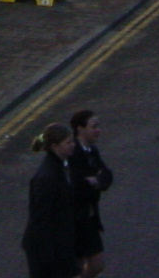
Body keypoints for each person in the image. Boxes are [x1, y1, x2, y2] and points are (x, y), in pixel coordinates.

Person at [22, 123, 81, 278]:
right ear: (55, 146)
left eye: (72, 141)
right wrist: (50, 255)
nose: (73, 145)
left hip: (59, 245)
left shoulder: (59, 167)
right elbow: (40, 219)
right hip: (47, 250)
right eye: (68, 142)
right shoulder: (48, 177)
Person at [66, 108, 114, 277]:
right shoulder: (73, 154)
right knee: (80, 266)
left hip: (89, 217)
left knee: (96, 264)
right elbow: (78, 186)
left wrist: (97, 181)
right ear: (80, 128)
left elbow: (107, 175)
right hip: (75, 218)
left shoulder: (92, 151)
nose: (98, 130)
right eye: (93, 126)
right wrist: (96, 181)